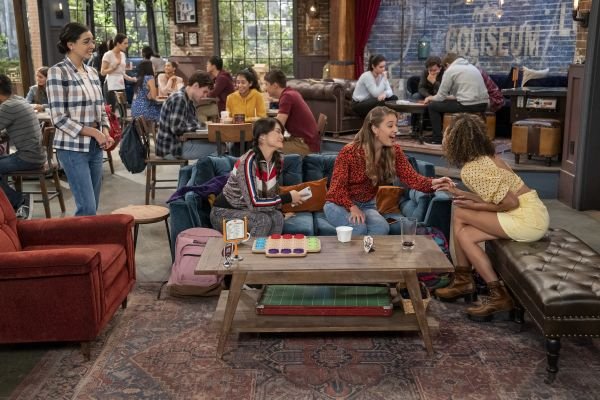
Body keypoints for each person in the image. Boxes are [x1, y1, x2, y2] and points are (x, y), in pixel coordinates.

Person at [436, 113, 549, 321]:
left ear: (456, 141)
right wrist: (462, 193)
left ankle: (466, 281)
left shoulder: (472, 169)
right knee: (466, 235)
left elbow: (510, 202)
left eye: (447, 135)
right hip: (534, 212)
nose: (444, 138)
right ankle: (486, 288)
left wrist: (475, 205)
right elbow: (499, 197)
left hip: (526, 219)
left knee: (461, 213)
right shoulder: (487, 158)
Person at [324, 106, 453, 235]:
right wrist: (352, 207)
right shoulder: (350, 152)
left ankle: (370, 250)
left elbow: (413, 178)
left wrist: (435, 182)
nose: (396, 130)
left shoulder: (394, 151)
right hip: (338, 204)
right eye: (390, 126)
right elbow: (337, 189)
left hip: (367, 205)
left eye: (396, 125)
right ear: (375, 129)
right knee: (358, 228)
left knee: (382, 228)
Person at [47, 22, 114, 216]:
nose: (92, 45)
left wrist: (105, 132)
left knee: (93, 206)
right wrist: (94, 132)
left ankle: (86, 236)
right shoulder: (57, 72)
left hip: (95, 146)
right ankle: (78, 237)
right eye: (86, 41)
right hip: (72, 148)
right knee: (87, 207)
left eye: (92, 41)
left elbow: (101, 109)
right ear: (71, 44)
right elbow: (58, 118)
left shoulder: (92, 72)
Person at [209, 117, 304, 237]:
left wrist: (281, 210)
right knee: (262, 221)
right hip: (223, 213)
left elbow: (269, 194)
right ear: (262, 137)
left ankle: (269, 248)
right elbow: (254, 204)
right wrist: (288, 197)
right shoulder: (248, 162)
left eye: (282, 132)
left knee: (277, 217)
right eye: (278, 131)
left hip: (246, 210)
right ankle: (252, 250)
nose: (282, 136)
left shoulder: (278, 159)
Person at [0, 74, 47, 218]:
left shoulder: (8, 106)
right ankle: (7, 207)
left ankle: (19, 200)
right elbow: (12, 128)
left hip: (28, 158)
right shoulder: (18, 100)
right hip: (36, 154)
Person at [423, 53, 488, 145]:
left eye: (445, 68)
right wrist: (446, 97)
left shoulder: (450, 70)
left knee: (432, 106)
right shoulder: (472, 67)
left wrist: (430, 98)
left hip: (467, 105)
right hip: (483, 104)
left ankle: (437, 139)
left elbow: (440, 97)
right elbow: (457, 95)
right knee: (442, 103)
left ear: (447, 64)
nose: (445, 70)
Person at [156, 71, 214, 160]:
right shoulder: (179, 99)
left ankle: (197, 168)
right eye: (204, 92)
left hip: (177, 144)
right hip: (172, 149)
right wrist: (204, 125)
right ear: (196, 85)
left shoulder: (188, 100)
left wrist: (201, 126)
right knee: (219, 147)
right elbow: (177, 128)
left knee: (216, 143)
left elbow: (189, 124)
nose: (205, 96)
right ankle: (196, 169)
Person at [264, 68, 319, 155]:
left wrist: (262, 129)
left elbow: (279, 125)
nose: (265, 88)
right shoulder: (290, 93)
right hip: (305, 141)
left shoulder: (287, 96)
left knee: (266, 146)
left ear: (275, 85)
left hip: (304, 144)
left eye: (266, 84)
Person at [351, 54, 398, 119]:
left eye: (384, 66)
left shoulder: (382, 75)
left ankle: (389, 119)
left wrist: (385, 93)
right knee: (380, 101)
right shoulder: (367, 76)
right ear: (373, 66)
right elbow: (376, 94)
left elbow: (390, 92)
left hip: (373, 101)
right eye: (381, 67)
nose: (383, 69)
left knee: (393, 98)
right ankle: (382, 120)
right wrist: (384, 79)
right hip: (359, 104)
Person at [101, 33, 137, 112]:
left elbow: (122, 72)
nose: (127, 45)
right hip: (110, 84)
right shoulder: (108, 55)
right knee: (111, 110)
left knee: (123, 109)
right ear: (118, 43)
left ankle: (123, 120)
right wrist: (113, 67)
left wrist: (131, 79)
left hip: (120, 83)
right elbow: (103, 72)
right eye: (125, 43)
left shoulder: (123, 55)